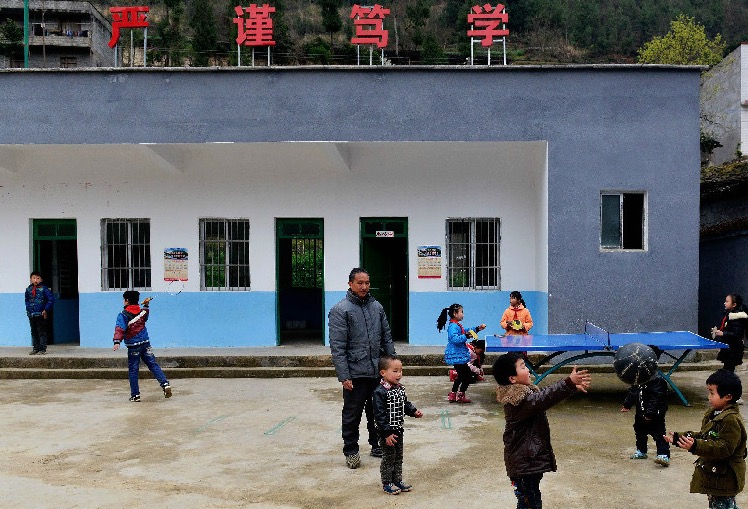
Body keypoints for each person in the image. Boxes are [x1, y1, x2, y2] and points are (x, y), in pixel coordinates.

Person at [493, 351, 591, 509]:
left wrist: (571, 387)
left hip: (526, 464)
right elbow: (544, 398)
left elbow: (543, 397)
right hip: (524, 466)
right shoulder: (517, 401)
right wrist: (568, 383)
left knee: (529, 501)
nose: (528, 370)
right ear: (512, 379)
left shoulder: (524, 395)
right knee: (530, 503)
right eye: (523, 367)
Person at [329, 268, 396, 469]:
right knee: (352, 414)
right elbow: (338, 347)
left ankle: (377, 444)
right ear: (350, 284)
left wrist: (392, 366)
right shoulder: (340, 310)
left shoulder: (377, 307)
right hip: (355, 372)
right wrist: (344, 376)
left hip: (377, 371)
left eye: (367, 283)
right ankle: (351, 451)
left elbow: (387, 337)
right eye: (360, 283)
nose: (364, 287)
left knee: (378, 411)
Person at [665, 369, 746, 509]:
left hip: (725, 478)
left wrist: (696, 446)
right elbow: (705, 435)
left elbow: (724, 448)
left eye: (712, 393)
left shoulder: (730, 420)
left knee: (722, 504)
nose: (709, 397)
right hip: (716, 476)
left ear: (727, 397)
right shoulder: (714, 413)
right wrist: (680, 438)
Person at [372, 355, 423, 495]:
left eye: (400, 370)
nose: (399, 374)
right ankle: (387, 483)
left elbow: (405, 404)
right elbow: (380, 415)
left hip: (398, 429)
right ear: (383, 372)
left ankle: (397, 480)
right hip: (387, 432)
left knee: (398, 456)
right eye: (395, 371)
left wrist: (414, 411)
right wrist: (386, 434)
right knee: (389, 457)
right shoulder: (379, 392)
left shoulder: (400, 389)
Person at [112, 290, 172, 402]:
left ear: (127, 300)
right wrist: (146, 305)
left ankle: (135, 395)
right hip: (145, 343)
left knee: (133, 370)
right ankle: (165, 384)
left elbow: (119, 328)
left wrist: (117, 341)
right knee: (153, 365)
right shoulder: (142, 311)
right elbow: (145, 316)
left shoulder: (123, 314)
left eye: (124, 299)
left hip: (133, 346)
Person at [436, 303, 486, 403]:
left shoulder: (456, 325)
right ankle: (460, 395)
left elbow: (465, 331)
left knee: (462, 376)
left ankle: (453, 394)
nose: (463, 314)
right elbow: (455, 339)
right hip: (457, 355)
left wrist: (477, 329)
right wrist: (466, 336)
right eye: (461, 312)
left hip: (458, 356)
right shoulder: (453, 326)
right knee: (467, 376)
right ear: (455, 314)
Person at [620, 372, 670, 466]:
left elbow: (656, 398)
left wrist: (650, 413)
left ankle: (663, 454)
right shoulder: (638, 379)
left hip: (656, 414)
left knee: (659, 433)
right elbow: (633, 391)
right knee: (639, 431)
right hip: (641, 412)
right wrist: (627, 404)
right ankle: (641, 450)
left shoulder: (658, 381)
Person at [711, 293, 748, 372]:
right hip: (729, 347)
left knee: (728, 370)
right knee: (727, 369)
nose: (725, 303)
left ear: (734, 304)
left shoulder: (737, 318)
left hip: (734, 349)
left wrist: (723, 333)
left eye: (727, 301)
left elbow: (737, 334)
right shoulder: (729, 314)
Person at [25, 271, 54, 355]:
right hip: (32, 314)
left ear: (41, 280)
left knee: (41, 331)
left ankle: (42, 349)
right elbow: (27, 300)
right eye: (34, 278)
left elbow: (51, 299)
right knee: (33, 331)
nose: (36, 280)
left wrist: (46, 309)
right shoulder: (28, 289)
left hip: (41, 314)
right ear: (31, 279)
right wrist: (28, 309)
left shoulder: (44, 289)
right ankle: (35, 348)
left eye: (38, 278)